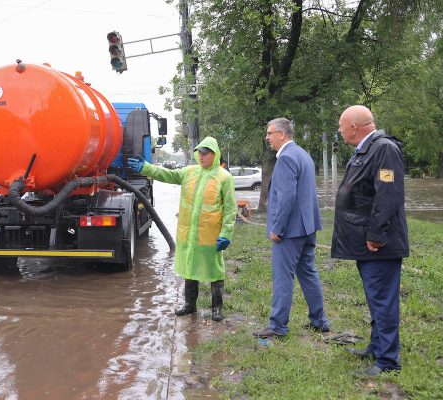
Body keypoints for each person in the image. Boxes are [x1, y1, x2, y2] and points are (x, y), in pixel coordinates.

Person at [332, 105, 408, 377]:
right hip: (365, 242)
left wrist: (376, 236)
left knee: (383, 300)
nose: (339, 131)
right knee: (376, 298)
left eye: (341, 126)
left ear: (353, 127)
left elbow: (388, 195)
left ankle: (388, 360)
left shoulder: (384, 149)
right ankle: (376, 346)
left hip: (379, 244)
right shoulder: (368, 149)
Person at [126, 137, 237, 321]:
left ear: (214, 154)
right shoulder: (189, 172)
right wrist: (146, 167)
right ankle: (190, 305)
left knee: (214, 271)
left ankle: (217, 308)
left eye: (206, 153)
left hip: (210, 235)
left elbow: (230, 209)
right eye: (200, 153)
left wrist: (226, 233)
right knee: (189, 269)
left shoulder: (224, 177)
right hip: (189, 234)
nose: (202, 157)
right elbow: (166, 174)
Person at [253, 118, 330, 339]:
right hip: (307, 227)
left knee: (283, 277)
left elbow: (287, 197)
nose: (267, 137)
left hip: (290, 230)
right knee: (308, 272)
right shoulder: (303, 154)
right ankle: (319, 320)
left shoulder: (286, 158)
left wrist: (277, 227)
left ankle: (277, 326)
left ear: (282, 134)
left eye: (270, 133)